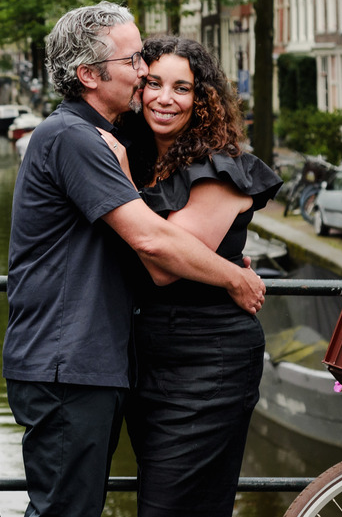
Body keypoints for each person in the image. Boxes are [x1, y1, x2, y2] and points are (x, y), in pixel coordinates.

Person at [3, 1, 265, 517]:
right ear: (89, 74)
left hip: (89, 362)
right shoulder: (78, 138)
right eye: (135, 61)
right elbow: (153, 243)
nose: (144, 72)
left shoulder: (100, 138)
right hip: (67, 362)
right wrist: (234, 277)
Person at [99, 36, 280, 517]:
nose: (164, 98)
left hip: (208, 361)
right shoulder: (141, 160)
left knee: (170, 508)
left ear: (203, 99)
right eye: (153, 83)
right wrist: (229, 273)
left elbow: (161, 265)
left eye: (182, 88)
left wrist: (118, 179)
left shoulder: (222, 169)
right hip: (147, 360)